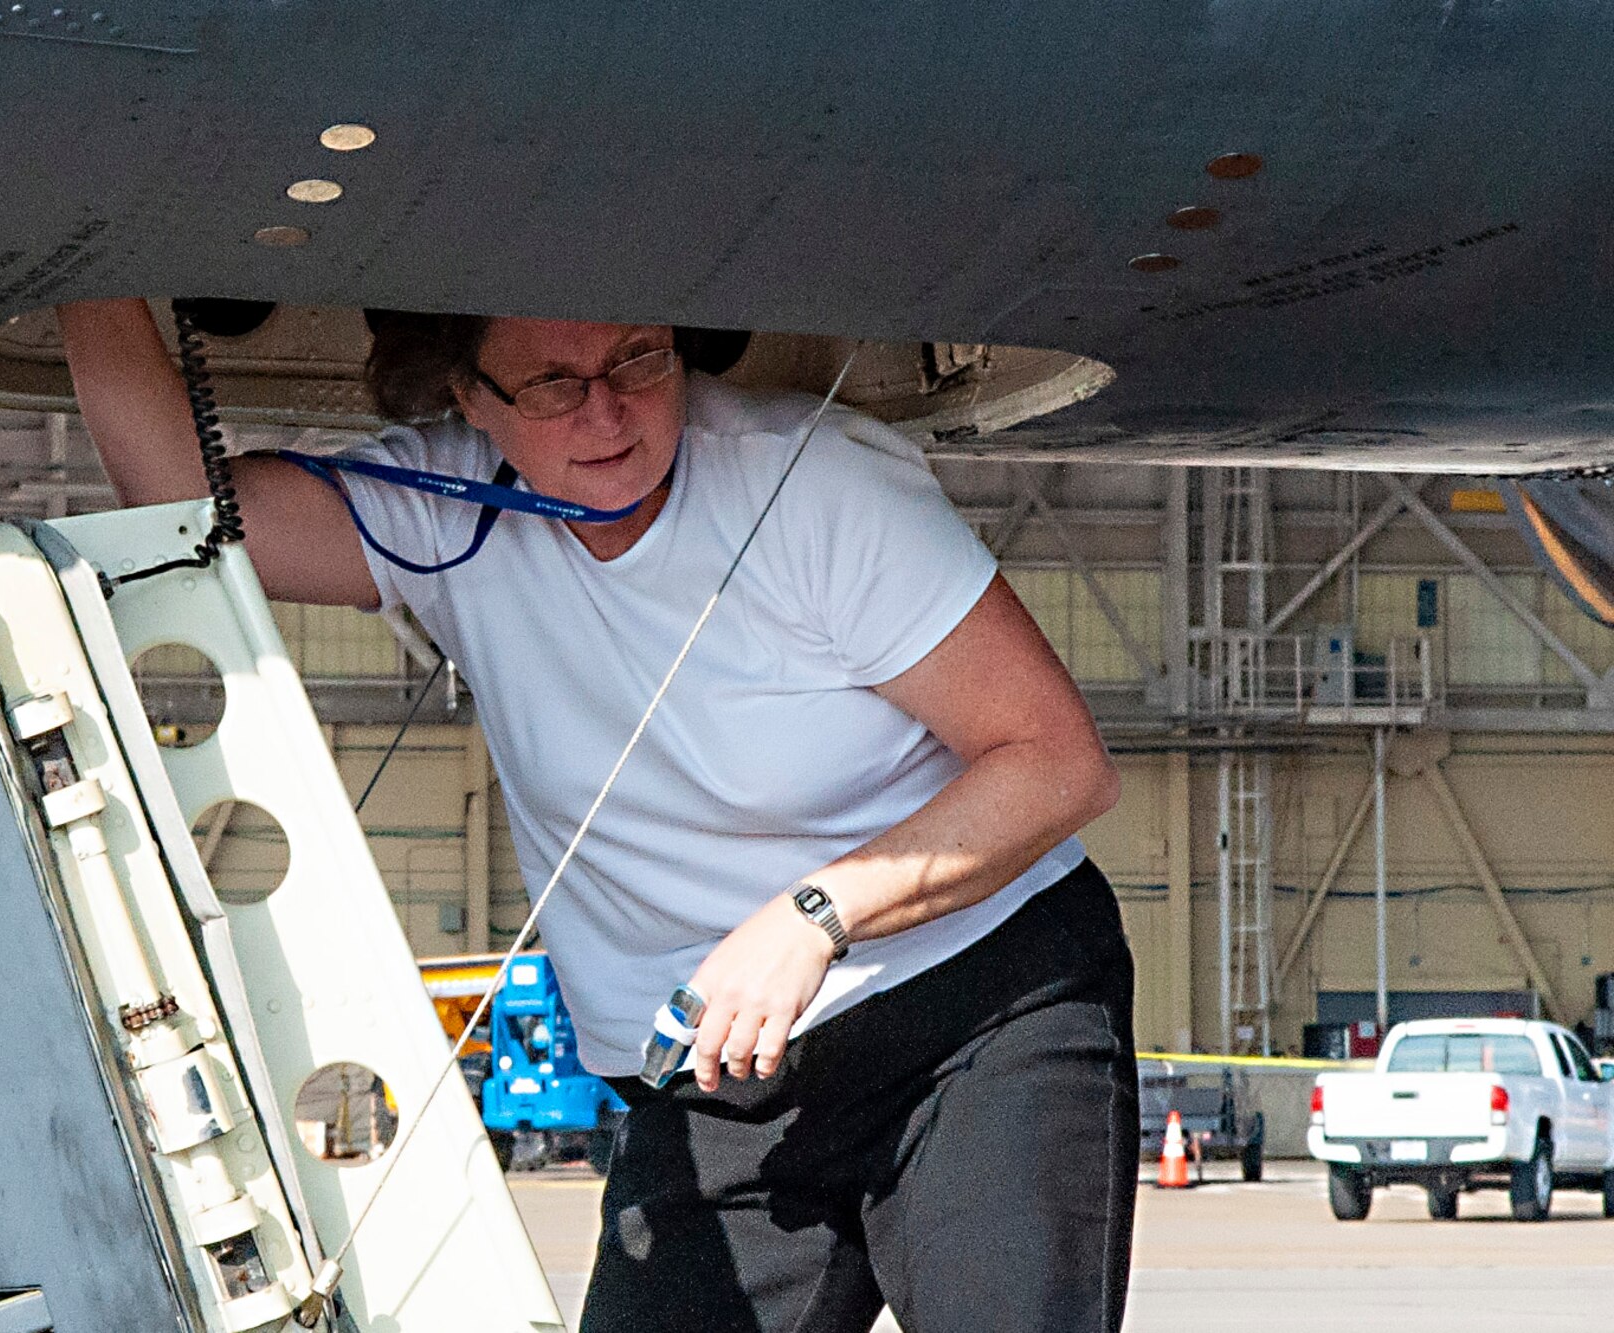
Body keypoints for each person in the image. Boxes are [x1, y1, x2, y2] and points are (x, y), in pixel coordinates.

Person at [59, 300, 1137, 1333]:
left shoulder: (811, 489)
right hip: (717, 1082)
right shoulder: (445, 509)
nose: (606, 413)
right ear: (466, 396)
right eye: (551, 383)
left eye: (637, 362)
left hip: (973, 1013)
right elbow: (177, 505)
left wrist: (814, 914)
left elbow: (1057, 763)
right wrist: (84, 245)